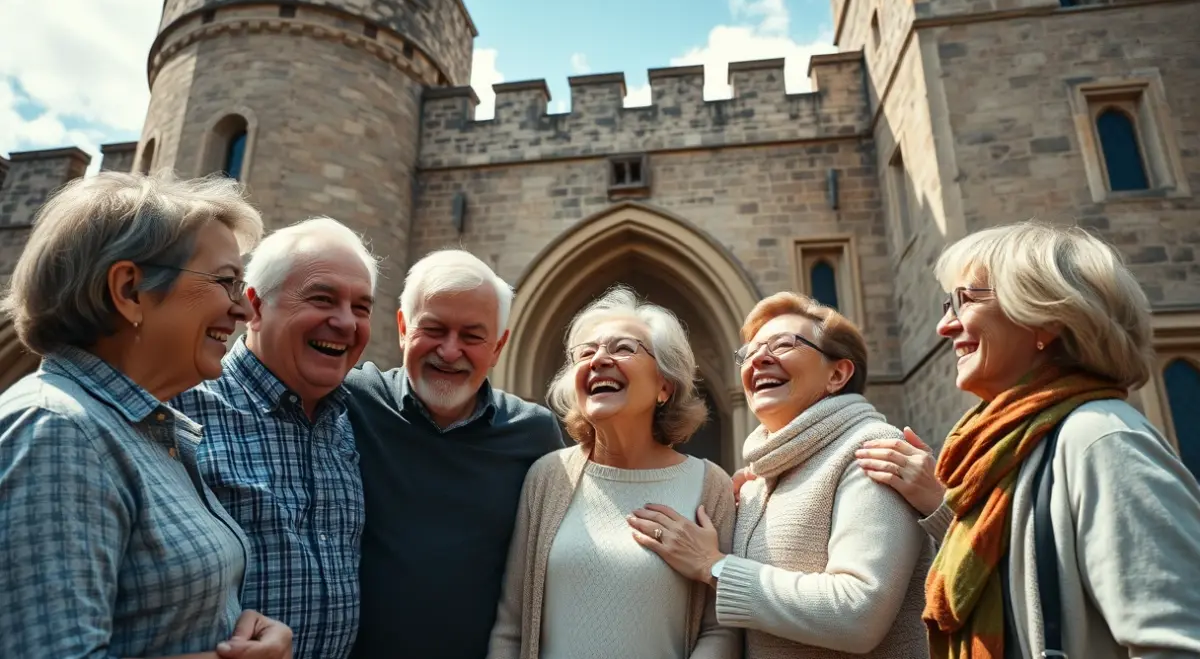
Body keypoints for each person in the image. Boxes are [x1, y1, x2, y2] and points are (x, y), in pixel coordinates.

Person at [855, 221, 1200, 658]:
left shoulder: (1100, 440)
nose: (944, 326)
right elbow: (1020, 577)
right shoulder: (1015, 446)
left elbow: (1177, 642)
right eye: (947, 304)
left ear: (1045, 319)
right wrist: (945, 510)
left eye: (965, 301)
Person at [0, 171, 292, 659]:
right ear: (131, 290)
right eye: (226, 282)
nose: (243, 310)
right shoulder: (57, 432)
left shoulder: (140, 430)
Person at [633, 291, 932, 658]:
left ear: (837, 373)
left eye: (783, 344)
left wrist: (715, 567)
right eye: (749, 353)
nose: (759, 358)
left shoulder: (871, 451)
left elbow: (857, 613)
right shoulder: (759, 482)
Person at [487, 285, 739, 659]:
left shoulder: (709, 484)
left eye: (622, 348)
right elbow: (510, 629)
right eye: (586, 352)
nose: (599, 359)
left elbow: (722, 628)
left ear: (664, 386)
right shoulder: (547, 477)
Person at [172, 217, 376, 658]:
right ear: (254, 307)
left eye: (362, 307)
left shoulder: (353, 420)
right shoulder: (178, 410)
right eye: (322, 299)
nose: (345, 322)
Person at [345, 249, 564, 659]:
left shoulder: (534, 433)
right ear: (402, 328)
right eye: (434, 329)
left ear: (498, 346)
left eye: (471, 336)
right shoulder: (352, 401)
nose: (449, 351)